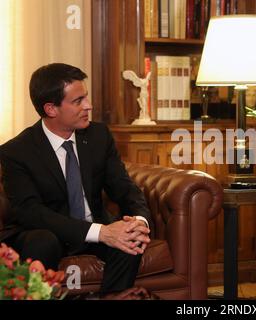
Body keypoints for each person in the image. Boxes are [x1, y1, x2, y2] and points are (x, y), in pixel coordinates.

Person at [0, 63, 153, 293]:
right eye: (78, 101)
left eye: (86, 97)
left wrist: (139, 222)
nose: (89, 106)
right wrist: (101, 232)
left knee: (129, 240)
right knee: (43, 242)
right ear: (51, 109)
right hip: (47, 232)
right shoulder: (17, 152)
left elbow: (124, 187)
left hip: (94, 226)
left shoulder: (98, 135)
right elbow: (31, 212)